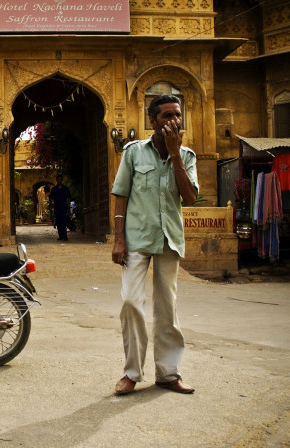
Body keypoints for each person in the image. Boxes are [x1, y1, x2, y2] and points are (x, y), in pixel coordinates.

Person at [111, 94, 199, 395]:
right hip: (137, 238)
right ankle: (132, 373)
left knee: (167, 308)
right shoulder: (134, 153)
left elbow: (189, 197)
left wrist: (175, 155)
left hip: (169, 239)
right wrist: (119, 238)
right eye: (166, 116)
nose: (174, 121)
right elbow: (121, 194)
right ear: (152, 121)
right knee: (130, 302)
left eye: (177, 115)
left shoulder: (187, 156)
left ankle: (168, 373)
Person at [49, 174, 71, 241]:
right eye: (58, 179)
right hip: (57, 207)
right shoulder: (54, 189)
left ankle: (65, 235)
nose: (59, 181)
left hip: (64, 207)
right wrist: (50, 206)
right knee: (58, 222)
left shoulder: (65, 189)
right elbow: (50, 198)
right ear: (56, 180)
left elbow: (69, 198)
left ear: (62, 180)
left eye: (60, 179)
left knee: (63, 221)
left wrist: (68, 206)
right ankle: (60, 235)